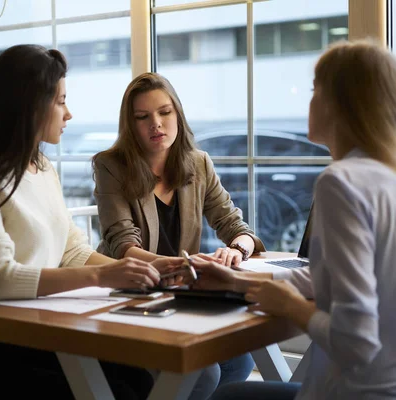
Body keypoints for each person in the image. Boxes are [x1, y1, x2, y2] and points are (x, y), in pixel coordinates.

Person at [192, 39, 396, 400]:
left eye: (315, 90)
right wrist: (240, 282)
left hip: (360, 393)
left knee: (227, 395)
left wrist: (288, 305)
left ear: (340, 104)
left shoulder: (344, 181)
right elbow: (338, 277)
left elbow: (356, 342)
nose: (309, 101)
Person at [0, 44, 184, 400]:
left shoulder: (43, 169)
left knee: (141, 380)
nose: (69, 114)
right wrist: (103, 276)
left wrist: (148, 269)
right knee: (121, 390)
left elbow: (73, 249)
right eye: (61, 100)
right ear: (29, 105)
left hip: (37, 336)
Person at [92, 72, 266, 399]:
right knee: (205, 370)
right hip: (130, 294)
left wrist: (236, 251)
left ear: (177, 114)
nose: (155, 124)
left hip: (179, 293)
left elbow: (236, 227)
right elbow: (122, 244)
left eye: (164, 112)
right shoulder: (110, 165)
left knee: (239, 360)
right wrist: (178, 265)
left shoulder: (198, 164)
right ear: (130, 125)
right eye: (142, 117)